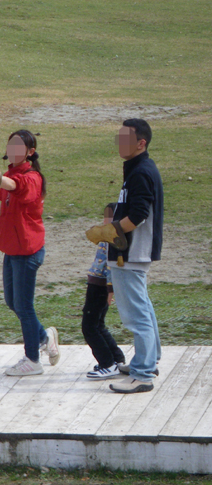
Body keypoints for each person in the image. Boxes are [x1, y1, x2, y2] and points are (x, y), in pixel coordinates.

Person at [0, 130, 59, 376]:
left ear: (30, 152)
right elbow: (4, 201)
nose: (14, 147)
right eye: (12, 144)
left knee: (24, 306)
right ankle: (45, 336)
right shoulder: (10, 174)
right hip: (12, 249)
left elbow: (16, 186)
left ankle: (32, 360)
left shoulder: (32, 177)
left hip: (27, 252)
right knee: (12, 302)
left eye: (20, 145)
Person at [86, 118, 163, 394]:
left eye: (125, 138)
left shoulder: (141, 171)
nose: (120, 142)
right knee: (143, 309)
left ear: (141, 143)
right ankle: (149, 362)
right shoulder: (138, 169)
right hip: (131, 253)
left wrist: (110, 231)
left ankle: (142, 374)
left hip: (129, 254)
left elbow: (139, 215)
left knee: (136, 315)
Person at [83, 203, 127, 380]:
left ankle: (107, 364)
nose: (105, 223)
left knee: (89, 327)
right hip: (98, 283)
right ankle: (117, 359)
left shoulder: (112, 239)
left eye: (108, 219)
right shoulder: (107, 237)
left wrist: (110, 291)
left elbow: (111, 266)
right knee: (98, 324)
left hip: (99, 286)